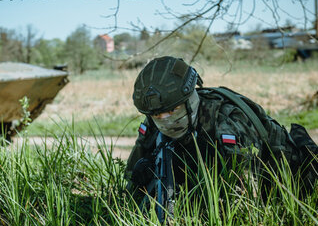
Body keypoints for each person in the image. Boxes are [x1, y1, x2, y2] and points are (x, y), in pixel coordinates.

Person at [125, 56, 317, 200]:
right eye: (158, 115)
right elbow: (131, 179)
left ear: (189, 100)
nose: (165, 120)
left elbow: (246, 201)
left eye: (174, 110)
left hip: (293, 184)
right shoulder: (154, 118)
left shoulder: (227, 123)